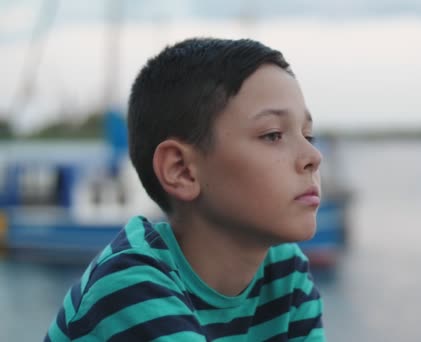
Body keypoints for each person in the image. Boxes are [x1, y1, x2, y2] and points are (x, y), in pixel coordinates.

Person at [45, 37, 325, 341]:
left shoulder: (286, 274)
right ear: (181, 170)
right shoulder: (130, 287)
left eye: (307, 135)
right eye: (273, 135)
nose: (313, 156)